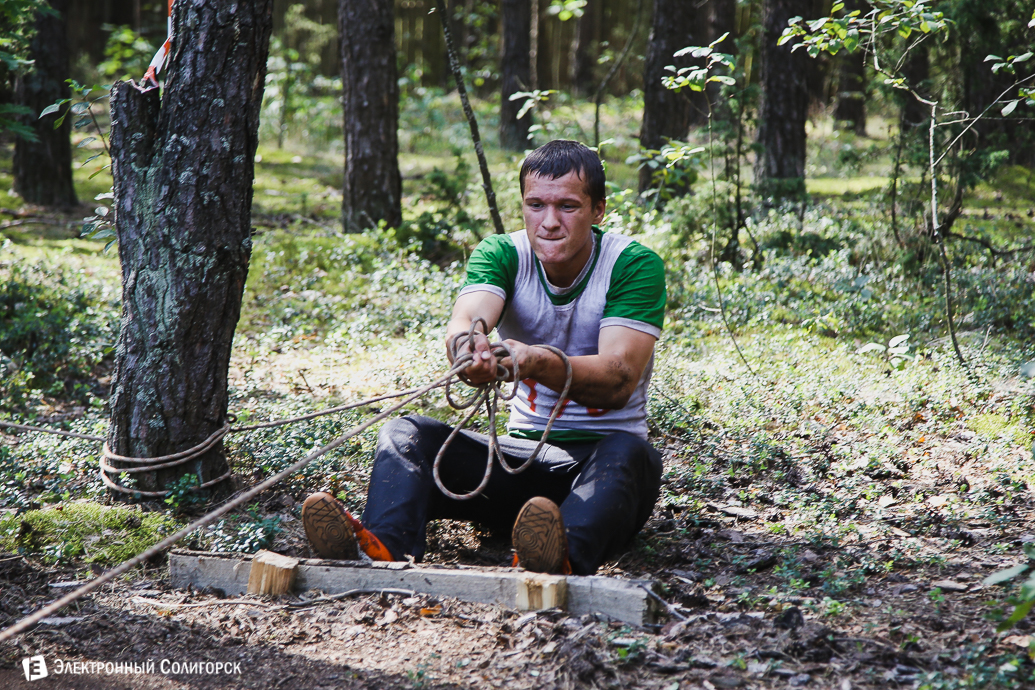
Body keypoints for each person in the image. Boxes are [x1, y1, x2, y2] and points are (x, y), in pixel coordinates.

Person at [301, 140, 666, 575]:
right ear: (523, 207)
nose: (549, 222)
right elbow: (467, 319)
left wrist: (533, 360)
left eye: (568, 206)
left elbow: (618, 380)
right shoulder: (502, 254)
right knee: (405, 432)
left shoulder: (633, 265)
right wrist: (468, 348)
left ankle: (558, 559)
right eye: (536, 205)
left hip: (602, 469)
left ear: (598, 210)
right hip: (520, 463)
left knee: (631, 453)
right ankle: (383, 550)